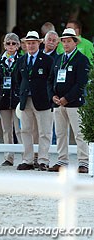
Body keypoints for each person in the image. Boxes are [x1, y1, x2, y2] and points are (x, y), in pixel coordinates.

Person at [48, 28, 90, 173]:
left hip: (74, 103)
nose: (65, 44)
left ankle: (84, 163)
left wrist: (67, 98)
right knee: (60, 134)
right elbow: (50, 80)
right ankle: (62, 161)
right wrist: (52, 95)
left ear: (75, 43)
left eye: (68, 41)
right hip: (58, 102)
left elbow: (81, 83)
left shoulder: (82, 60)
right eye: (64, 41)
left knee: (79, 133)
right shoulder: (58, 59)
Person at [14, 31, 54, 171]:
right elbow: (17, 79)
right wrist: (22, 93)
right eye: (28, 43)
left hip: (43, 100)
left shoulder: (48, 60)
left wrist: (50, 96)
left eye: (33, 43)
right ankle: (28, 159)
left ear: (39, 43)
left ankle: (43, 160)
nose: (31, 45)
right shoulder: (21, 60)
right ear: (25, 44)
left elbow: (52, 79)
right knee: (25, 130)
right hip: (26, 99)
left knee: (44, 132)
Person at [0, 33, 22, 166]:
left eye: (13, 43)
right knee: (6, 130)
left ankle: (25, 156)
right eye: (8, 43)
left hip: (17, 99)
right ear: (4, 45)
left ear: (18, 46)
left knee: (20, 130)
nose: (10, 46)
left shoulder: (22, 59)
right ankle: (8, 157)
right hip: (4, 99)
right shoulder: (0, 61)